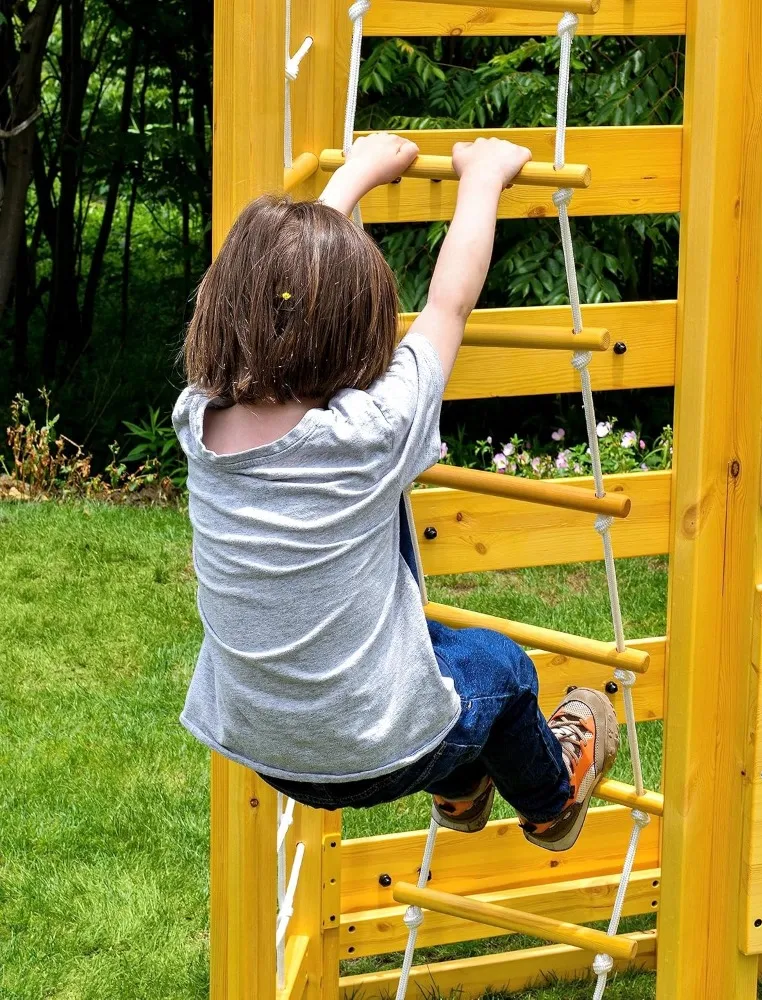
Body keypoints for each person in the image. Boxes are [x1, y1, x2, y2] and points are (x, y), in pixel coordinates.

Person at [171, 132, 619, 853]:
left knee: (414, 639)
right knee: (501, 671)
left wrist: (353, 177)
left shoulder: (201, 421)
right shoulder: (369, 433)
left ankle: (463, 786)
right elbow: (450, 304)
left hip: (265, 747)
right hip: (374, 752)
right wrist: (483, 176)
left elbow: (280, 286)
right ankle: (552, 797)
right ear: (357, 327)